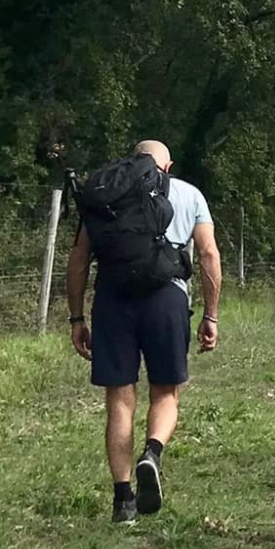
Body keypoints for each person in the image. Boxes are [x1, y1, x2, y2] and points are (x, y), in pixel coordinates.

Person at [66, 139, 222, 526]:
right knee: (165, 392)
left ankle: (123, 501)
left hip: (113, 299)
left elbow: (79, 258)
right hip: (166, 298)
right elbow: (208, 254)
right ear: (167, 166)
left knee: (120, 401)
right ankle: (152, 453)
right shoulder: (189, 194)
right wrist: (211, 315)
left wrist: (76, 318)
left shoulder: (107, 192)